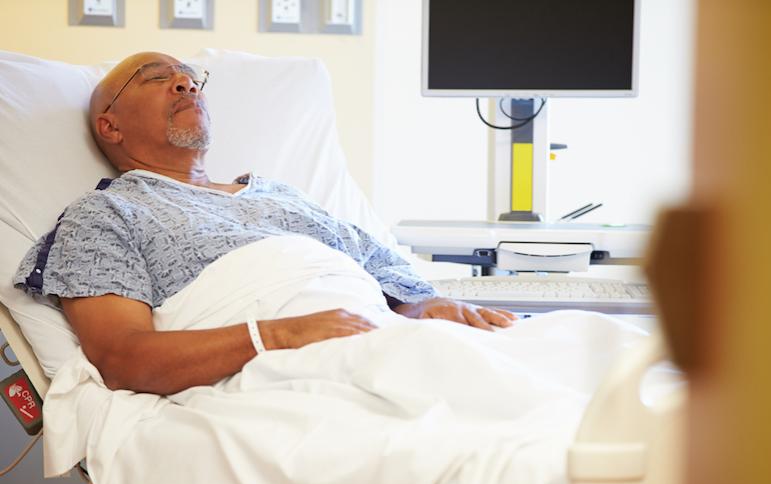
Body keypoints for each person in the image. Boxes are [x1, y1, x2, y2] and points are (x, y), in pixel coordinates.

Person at [14, 52, 515, 396]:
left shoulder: (284, 196)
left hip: (380, 342)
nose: (186, 83)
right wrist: (282, 335)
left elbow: (400, 292)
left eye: (191, 77)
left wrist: (430, 308)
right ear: (111, 125)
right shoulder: (104, 216)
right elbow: (123, 359)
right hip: (292, 374)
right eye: (154, 77)